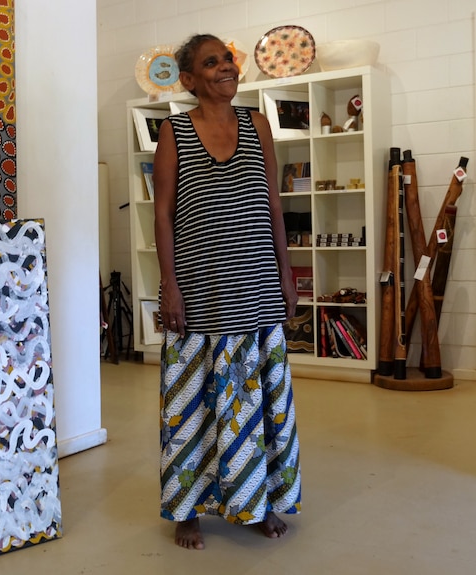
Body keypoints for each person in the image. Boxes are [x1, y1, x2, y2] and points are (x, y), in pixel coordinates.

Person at [153, 34, 301, 551]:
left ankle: (256, 502)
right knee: (192, 408)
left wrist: (287, 275)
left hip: (257, 288)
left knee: (256, 405)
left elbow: (275, 208)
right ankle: (188, 510)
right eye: (210, 62)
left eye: (228, 59)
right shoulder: (173, 132)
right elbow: (163, 215)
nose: (225, 67)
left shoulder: (258, 125)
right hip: (200, 293)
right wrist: (169, 287)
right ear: (189, 80)